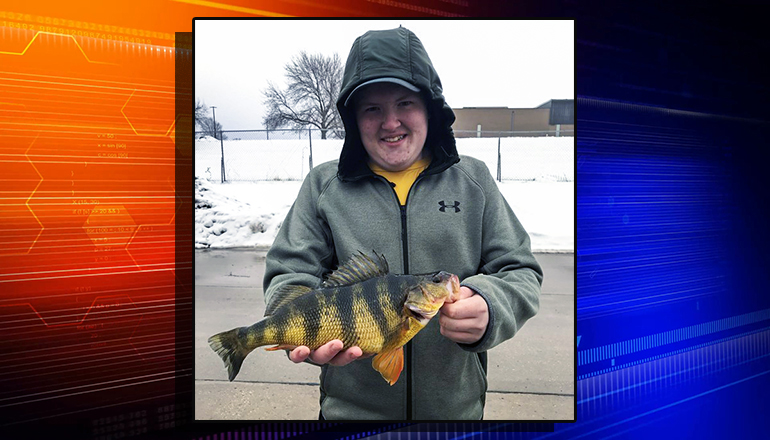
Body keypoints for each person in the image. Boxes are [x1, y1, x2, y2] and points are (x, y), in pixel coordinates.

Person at [263, 26, 543, 420]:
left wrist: (490, 305)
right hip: (349, 414)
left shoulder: (474, 181)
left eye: (405, 103)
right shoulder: (323, 187)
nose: (390, 122)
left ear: (430, 108)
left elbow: (520, 270)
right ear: (353, 118)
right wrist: (300, 331)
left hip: (456, 413)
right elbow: (289, 273)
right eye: (372, 108)